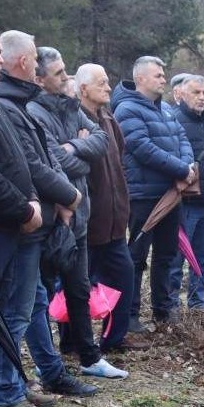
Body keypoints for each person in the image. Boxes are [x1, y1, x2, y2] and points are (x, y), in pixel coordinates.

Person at [0, 30, 98, 405]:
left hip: (39, 217)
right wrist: (69, 193)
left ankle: (47, 373)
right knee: (16, 311)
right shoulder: (11, 106)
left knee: (33, 303)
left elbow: (69, 151)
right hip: (23, 222)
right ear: (25, 63)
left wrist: (66, 177)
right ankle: (7, 391)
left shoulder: (18, 104)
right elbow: (34, 163)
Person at [28, 46, 127, 378]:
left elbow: (101, 142)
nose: (65, 77)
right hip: (53, 218)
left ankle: (89, 357)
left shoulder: (71, 108)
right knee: (41, 293)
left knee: (79, 287)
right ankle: (48, 363)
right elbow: (52, 161)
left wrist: (73, 147)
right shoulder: (32, 111)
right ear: (39, 79)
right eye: (58, 73)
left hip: (78, 215)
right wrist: (76, 152)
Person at [113, 55, 197, 328]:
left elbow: (182, 138)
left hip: (171, 194)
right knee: (136, 257)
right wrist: (181, 170)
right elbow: (141, 147)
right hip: (143, 196)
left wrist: (186, 165)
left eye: (163, 74)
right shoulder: (127, 110)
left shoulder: (166, 110)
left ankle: (164, 309)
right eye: (158, 75)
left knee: (167, 254)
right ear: (140, 79)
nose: (163, 78)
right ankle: (131, 315)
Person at [76, 64, 135, 353]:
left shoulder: (109, 119)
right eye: (102, 83)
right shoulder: (73, 121)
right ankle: (73, 340)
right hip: (87, 222)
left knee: (124, 277)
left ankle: (113, 339)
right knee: (78, 285)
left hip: (114, 222)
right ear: (83, 89)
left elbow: (120, 160)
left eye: (108, 82)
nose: (109, 88)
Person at [165, 73, 204, 314]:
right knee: (178, 257)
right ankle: (171, 305)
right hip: (186, 203)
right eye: (196, 93)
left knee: (203, 256)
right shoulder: (173, 120)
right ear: (182, 94)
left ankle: (198, 303)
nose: (201, 98)